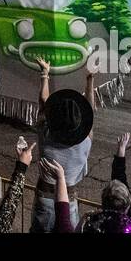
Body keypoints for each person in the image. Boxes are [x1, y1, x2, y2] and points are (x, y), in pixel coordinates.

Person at [30, 61, 97, 231]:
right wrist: (90, 80)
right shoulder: (85, 141)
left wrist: (45, 73)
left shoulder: (46, 134)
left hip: (45, 197)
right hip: (69, 199)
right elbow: (90, 110)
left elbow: (43, 101)